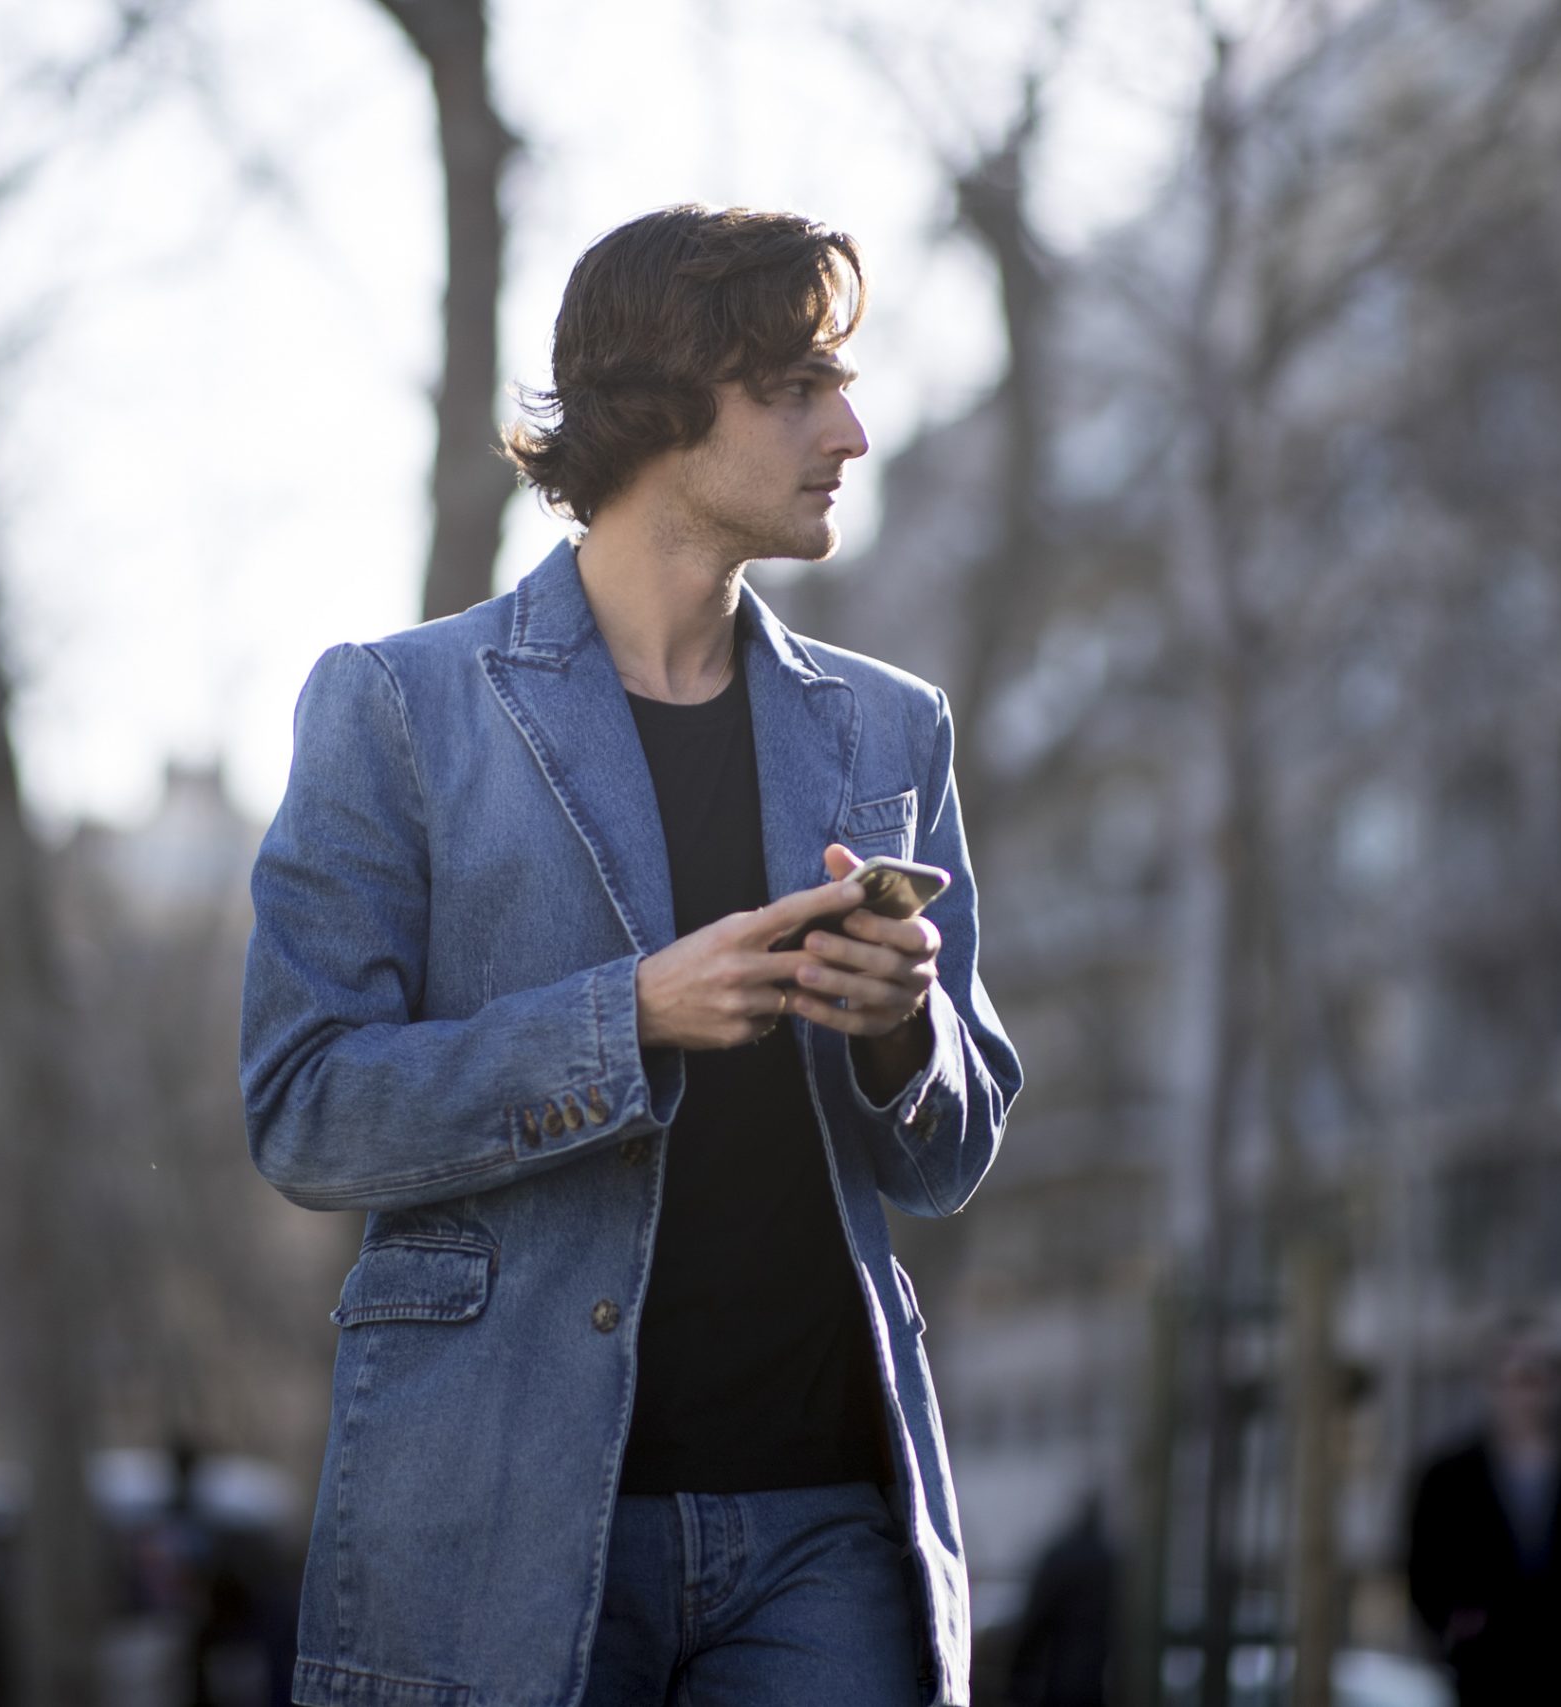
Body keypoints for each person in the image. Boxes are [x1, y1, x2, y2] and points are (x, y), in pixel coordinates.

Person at [241, 204, 1022, 1707]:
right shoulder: (398, 709)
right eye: (801, 386)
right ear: (667, 406)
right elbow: (304, 1108)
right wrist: (630, 1019)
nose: (852, 429)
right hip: (502, 1520)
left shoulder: (888, 726)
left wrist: (898, 1029)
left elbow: (949, 1146)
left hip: (826, 1526)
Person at [1404, 1321, 1561, 1707]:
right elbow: (1423, 1564)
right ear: (1491, 1385)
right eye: (1512, 1379)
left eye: (1534, 1379)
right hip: (1486, 1675)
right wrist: (1451, 1625)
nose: (1522, 1394)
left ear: (1556, 1384)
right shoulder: (1449, 1479)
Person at [1003, 1493, 1113, 1707]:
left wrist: (1017, 1673)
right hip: (1096, 1677)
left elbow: (1036, 1618)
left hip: (1060, 1673)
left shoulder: (1061, 1556)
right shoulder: (1109, 1561)